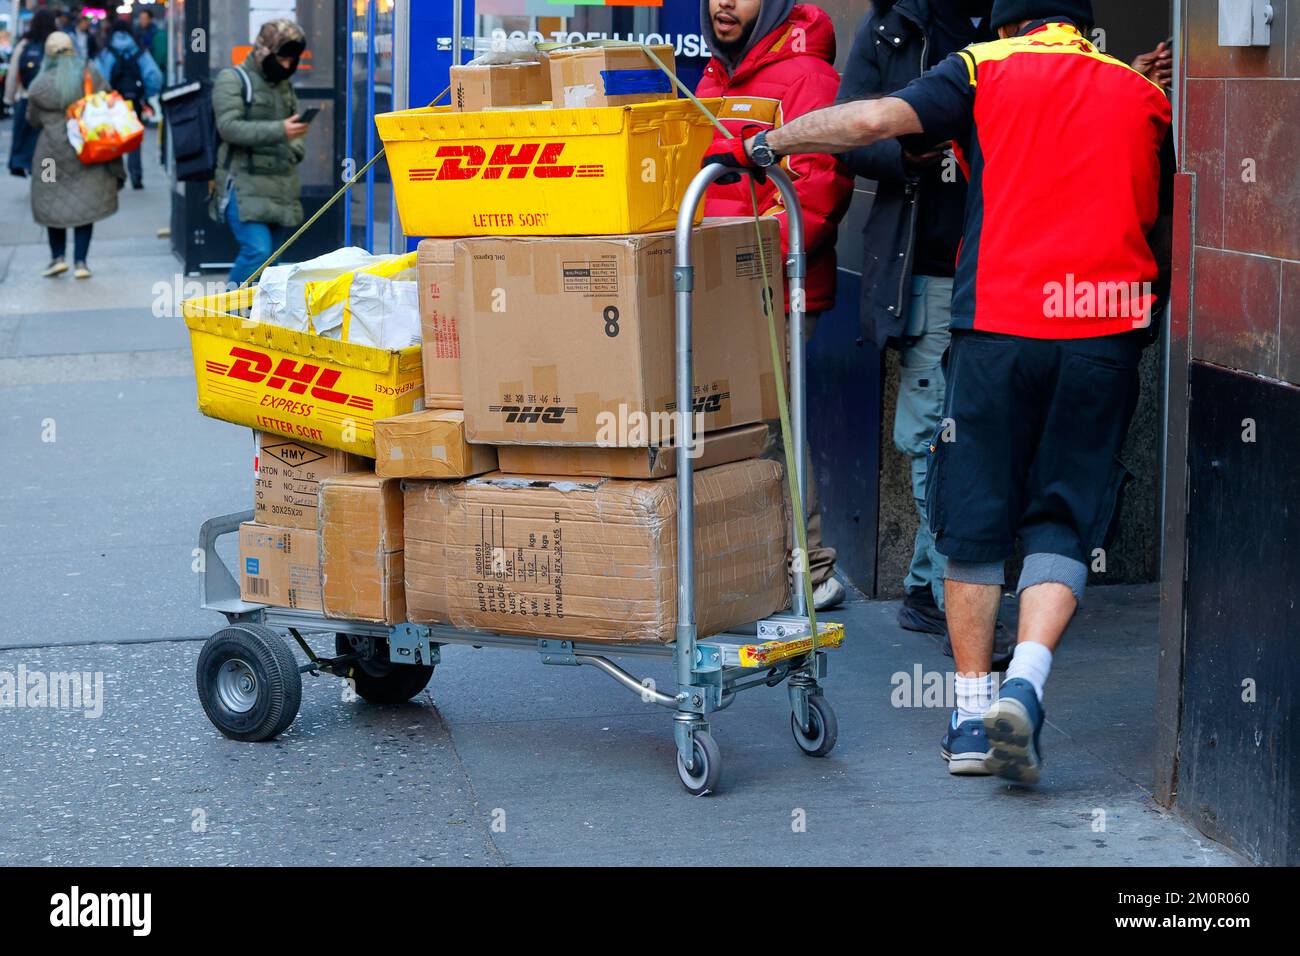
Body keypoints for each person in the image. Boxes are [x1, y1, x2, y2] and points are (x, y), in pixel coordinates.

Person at [705, 0, 1173, 782]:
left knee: (973, 525)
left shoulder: (983, 66)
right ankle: (1025, 681)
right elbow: (1159, 221)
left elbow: (872, 123)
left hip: (1000, 330)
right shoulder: (1139, 90)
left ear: (1010, 19)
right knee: (1064, 517)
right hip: (1104, 337)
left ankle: (967, 719)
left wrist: (772, 140)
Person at [838, 1, 994, 641]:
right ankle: (931, 587)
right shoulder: (889, 26)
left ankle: (938, 584)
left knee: (978, 430)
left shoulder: (1003, 24)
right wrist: (905, 155)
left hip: (998, 265)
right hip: (925, 266)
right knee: (932, 434)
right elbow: (851, 131)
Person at [696, 0, 854, 611]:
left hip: (772, 285)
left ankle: (812, 570)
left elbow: (814, 194)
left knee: (771, 427)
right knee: (738, 427)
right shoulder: (716, 74)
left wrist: (744, 266)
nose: (723, 4)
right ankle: (753, 560)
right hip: (712, 283)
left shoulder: (809, 77)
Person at [212, 19, 309, 287]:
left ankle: (257, 319)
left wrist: (295, 149)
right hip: (244, 182)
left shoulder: (283, 85)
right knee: (258, 251)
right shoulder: (232, 79)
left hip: (281, 183)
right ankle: (229, 312)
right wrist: (280, 130)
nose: (287, 65)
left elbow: (294, 128)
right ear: (264, 51)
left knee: (271, 264)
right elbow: (228, 128)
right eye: (282, 58)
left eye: (292, 59)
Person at [27, 30, 126, 279]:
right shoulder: (88, 73)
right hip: (85, 148)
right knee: (85, 201)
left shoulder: (39, 85)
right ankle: (81, 262)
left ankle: (57, 257)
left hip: (50, 155)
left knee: (50, 200)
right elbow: (107, 101)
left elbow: (32, 120)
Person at [96, 19, 161, 188]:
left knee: (113, 138)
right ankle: (136, 176)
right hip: (134, 100)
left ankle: (117, 177)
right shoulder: (139, 52)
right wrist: (147, 94)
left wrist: (104, 97)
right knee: (134, 138)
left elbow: (98, 77)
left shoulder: (107, 52)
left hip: (113, 102)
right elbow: (154, 76)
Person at [5, 9, 58, 177]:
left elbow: (13, 73)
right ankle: (47, 176)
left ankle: (25, 164)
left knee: (25, 137)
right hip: (51, 102)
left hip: (26, 98)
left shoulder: (25, 43)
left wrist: (9, 97)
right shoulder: (57, 43)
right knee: (48, 142)